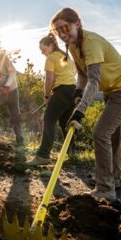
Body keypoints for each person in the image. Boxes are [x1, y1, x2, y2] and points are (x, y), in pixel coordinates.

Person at [50, 8, 121, 200]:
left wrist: (80, 111)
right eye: (59, 31)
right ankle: (113, 180)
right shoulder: (74, 45)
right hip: (113, 89)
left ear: (78, 24)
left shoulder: (91, 42)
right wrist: (77, 92)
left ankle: (105, 189)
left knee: (101, 133)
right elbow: (83, 74)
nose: (64, 34)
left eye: (66, 28)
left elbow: (94, 80)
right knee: (113, 135)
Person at [27, 33, 76, 165]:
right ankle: (72, 153)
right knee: (65, 122)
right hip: (73, 90)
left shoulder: (51, 58)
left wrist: (47, 96)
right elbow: (74, 71)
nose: (43, 53)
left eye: (43, 49)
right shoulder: (66, 56)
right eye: (41, 51)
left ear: (51, 45)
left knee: (49, 120)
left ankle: (43, 155)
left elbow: (49, 79)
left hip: (62, 90)